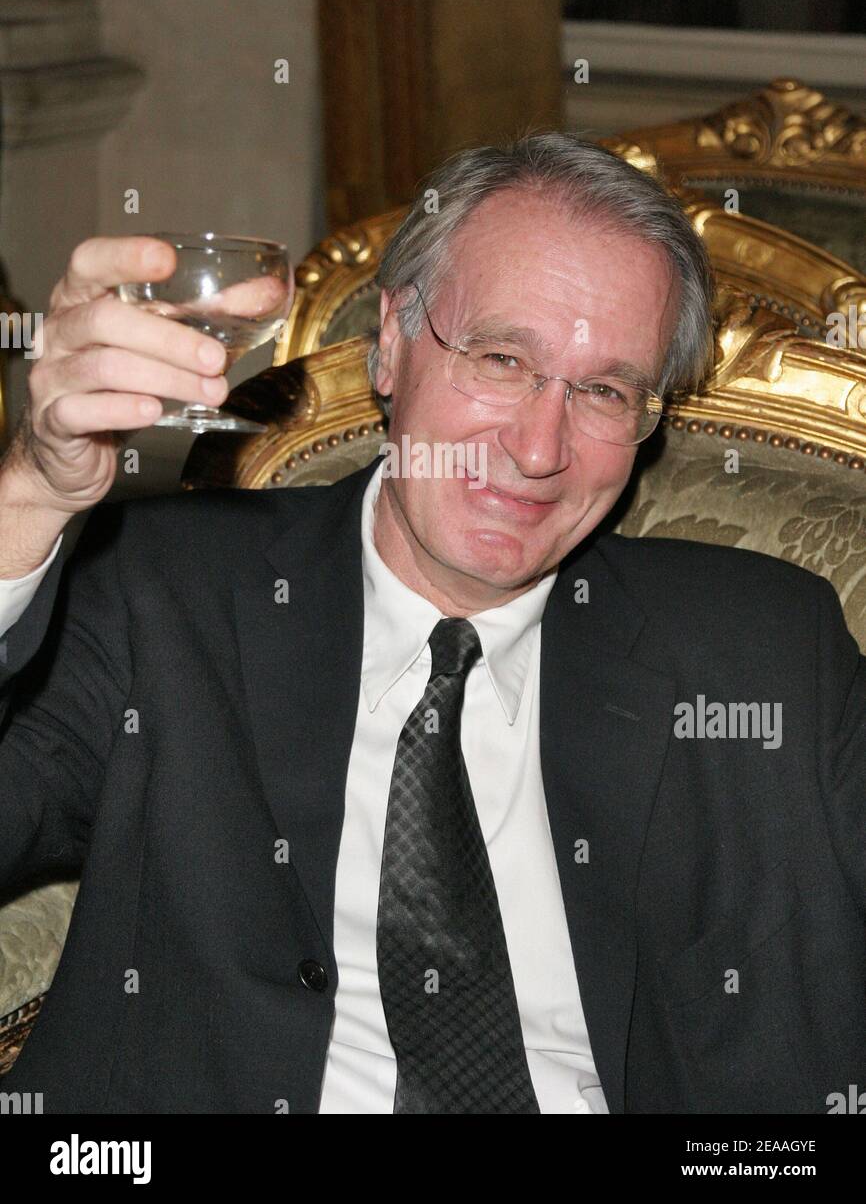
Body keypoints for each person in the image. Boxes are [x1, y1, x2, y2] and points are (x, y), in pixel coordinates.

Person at [0, 135, 863, 1114]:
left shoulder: (760, 651)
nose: (539, 449)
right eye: (500, 359)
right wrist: (26, 496)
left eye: (602, 390)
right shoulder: (167, 595)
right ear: (391, 339)